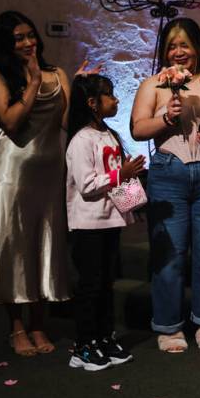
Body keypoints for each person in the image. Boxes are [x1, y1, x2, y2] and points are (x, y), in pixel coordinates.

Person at [130, 17, 200, 353]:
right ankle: (168, 325)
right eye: (172, 46)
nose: (178, 52)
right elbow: (137, 129)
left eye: (185, 45)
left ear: (198, 48)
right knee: (169, 254)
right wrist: (166, 117)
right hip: (167, 174)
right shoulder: (153, 85)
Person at [0, 10, 72, 356]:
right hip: (13, 171)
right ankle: (16, 327)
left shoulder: (56, 73)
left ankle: (38, 322)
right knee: (15, 243)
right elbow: (11, 121)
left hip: (50, 170)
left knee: (45, 242)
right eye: (18, 38)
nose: (27, 42)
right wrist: (32, 83)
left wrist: (77, 86)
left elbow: (64, 121)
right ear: (7, 44)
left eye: (30, 35)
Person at [65, 73, 144, 371]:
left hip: (110, 221)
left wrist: (131, 205)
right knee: (90, 285)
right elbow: (86, 185)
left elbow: (115, 176)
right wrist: (121, 174)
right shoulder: (81, 140)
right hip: (88, 224)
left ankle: (103, 337)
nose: (116, 99)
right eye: (109, 95)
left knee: (106, 284)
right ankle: (84, 345)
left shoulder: (110, 135)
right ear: (92, 103)